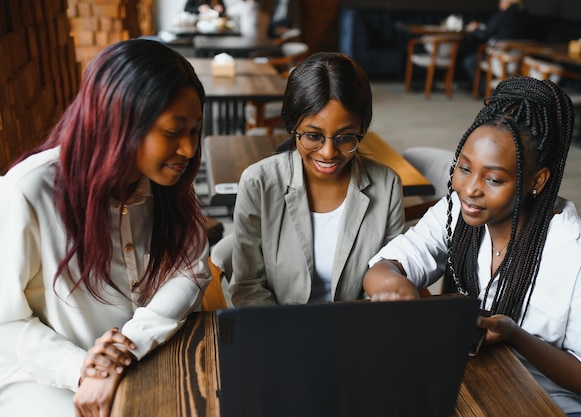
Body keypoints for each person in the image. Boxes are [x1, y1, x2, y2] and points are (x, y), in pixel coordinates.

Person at [363, 76, 581, 416]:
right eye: (464, 168)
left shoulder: (578, 261)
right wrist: (394, 285)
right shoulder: (459, 210)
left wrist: (515, 336)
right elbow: (386, 266)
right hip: (489, 383)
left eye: (493, 179)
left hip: (559, 406)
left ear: (537, 181)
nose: (470, 188)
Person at [0, 39, 212, 417]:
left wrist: (124, 346)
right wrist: (83, 368)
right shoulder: (28, 191)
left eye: (195, 131)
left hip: (137, 360)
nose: (188, 150)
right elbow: (4, 325)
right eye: (173, 131)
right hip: (40, 377)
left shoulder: (163, 181)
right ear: (122, 121)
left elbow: (191, 267)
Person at [230, 52, 405, 306]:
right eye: (313, 136)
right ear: (293, 127)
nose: (328, 153)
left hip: (356, 331)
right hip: (279, 330)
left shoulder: (386, 186)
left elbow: (385, 281)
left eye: (346, 137)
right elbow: (249, 288)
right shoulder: (259, 183)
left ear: (362, 130)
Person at [460, 0, 532, 92]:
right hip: (520, 60)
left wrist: (475, 29)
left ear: (508, 2)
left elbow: (485, 35)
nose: (500, 3)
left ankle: (484, 89)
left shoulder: (503, 15)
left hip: (500, 58)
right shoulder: (526, 16)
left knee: (470, 61)